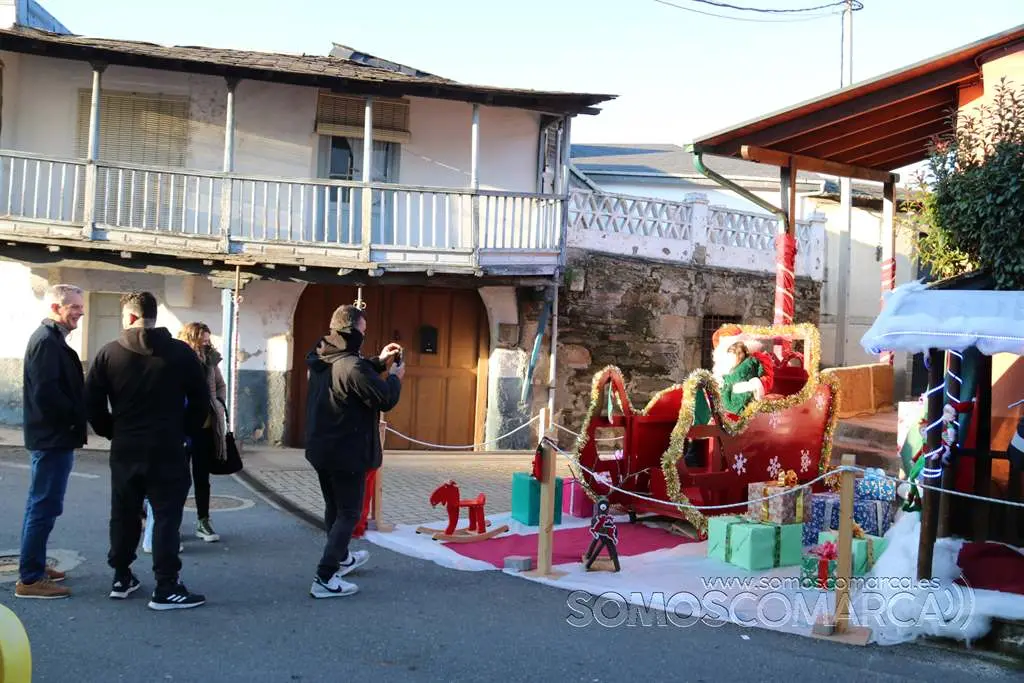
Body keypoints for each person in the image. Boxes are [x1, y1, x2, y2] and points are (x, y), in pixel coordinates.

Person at [85, 291, 210, 611]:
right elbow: (200, 403)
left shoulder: (107, 354)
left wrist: (113, 431)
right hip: (168, 449)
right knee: (167, 517)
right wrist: (183, 432)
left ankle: (121, 576)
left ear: (128, 317)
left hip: (126, 448)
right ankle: (166, 586)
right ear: (155, 317)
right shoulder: (182, 354)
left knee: (124, 513)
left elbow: (92, 405)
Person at [305, 304, 403, 599]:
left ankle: (342, 557)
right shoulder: (352, 364)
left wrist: (378, 361)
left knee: (334, 508)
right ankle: (324, 577)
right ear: (352, 332)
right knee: (349, 512)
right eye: (362, 331)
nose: (364, 335)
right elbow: (384, 398)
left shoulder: (321, 354)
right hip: (347, 451)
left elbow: (351, 372)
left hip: (322, 448)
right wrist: (396, 375)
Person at [15, 284, 87, 600]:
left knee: (45, 504)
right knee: (43, 505)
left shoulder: (51, 339)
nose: (80, 312)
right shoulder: (46, 342)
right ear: (56, 308)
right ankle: (30, 579)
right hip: (51, 438)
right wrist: (75, 416)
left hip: (53, 436)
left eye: (81, 307)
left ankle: (36, 566)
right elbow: (47, 394)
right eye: (74, 306)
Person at [141, 322, 226, 549]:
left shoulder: (210, 361)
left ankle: (203, 521)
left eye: (208, 340)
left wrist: (216, 403)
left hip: (205, 427)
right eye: (202, 340)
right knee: (177, 479)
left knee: (201, 477)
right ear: (191, 339)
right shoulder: (178, 360)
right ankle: (172, 525)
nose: (206, 344)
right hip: (181, 429)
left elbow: (220, 386)